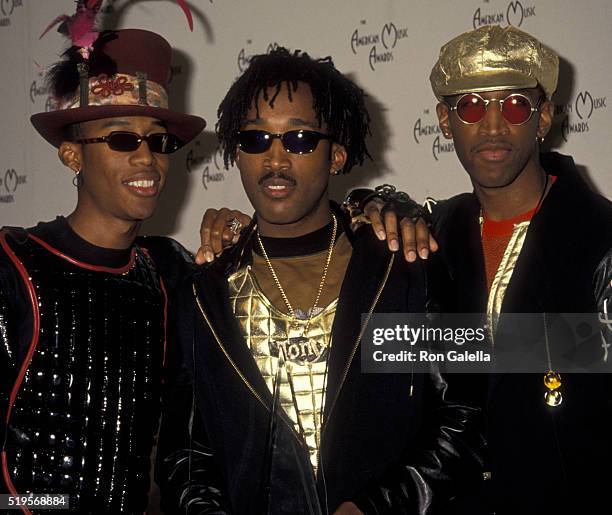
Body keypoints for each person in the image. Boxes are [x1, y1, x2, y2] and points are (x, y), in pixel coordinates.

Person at [156, 46, 484, 515]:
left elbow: (466, 415)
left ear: (337, 156)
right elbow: (187, 459)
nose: (275, 159)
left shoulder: (406, 265)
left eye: (300, 139)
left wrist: (376, 508)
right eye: (254, 140)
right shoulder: (203, 294)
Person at [352, 25, 612, 514]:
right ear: (445, 121)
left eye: (515, 105)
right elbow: (388, 363)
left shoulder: (601, 239)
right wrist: (367, 203)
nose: (493, 127)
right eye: (471, 105)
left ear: (544, 118)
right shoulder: (430, 237)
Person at [0, 27, 205, 512]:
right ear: (73, 153)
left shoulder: (169, 273)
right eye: (121, 139)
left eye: (159, 142)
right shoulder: (13, 266)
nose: (146, 158)